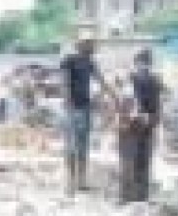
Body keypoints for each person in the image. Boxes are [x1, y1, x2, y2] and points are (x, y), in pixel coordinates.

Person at [59, 32, 115, 196]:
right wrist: (67, 103)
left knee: (83, 145)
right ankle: (70, 180)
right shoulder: (69, 60)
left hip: (85, 108)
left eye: (93, 43)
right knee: (71, 145)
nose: (93, 46)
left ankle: (81, 181)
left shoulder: (90, 62)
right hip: (72, 109)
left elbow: (101, 81)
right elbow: (64, 82)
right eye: (90, 44)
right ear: (82, 45)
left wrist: (114, 98)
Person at [117, 50, 164, 203]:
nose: (143, 66)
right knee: (139, 161)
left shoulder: (133, 79)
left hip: (135, 125)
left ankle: (131, 197)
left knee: (132, 161)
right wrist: (152, 120)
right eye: (143, 62)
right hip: (139, 125)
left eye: (144, 62)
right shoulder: (152, 81)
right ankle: (138, 196)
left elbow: (122, 102)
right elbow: (157, 106)